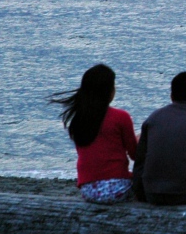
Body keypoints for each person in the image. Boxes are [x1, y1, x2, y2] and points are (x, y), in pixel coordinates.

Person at [49, 64, 138, 204]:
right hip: (117, 189)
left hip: (88, 190)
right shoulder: (121, 117)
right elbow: (135, 155)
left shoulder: (79, 119)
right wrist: (141, 140)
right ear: (109, 91)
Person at [132, 71, 186, 205]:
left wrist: (140, 195)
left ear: (171, 95)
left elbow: (140, 162)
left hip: (151, 193)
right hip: (184, 194)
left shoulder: (153, 119)